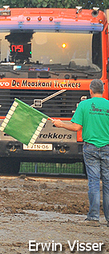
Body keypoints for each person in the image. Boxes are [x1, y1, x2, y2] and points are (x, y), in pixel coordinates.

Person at [53, 79, 109, 227]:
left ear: (90, 90)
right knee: (108, 183)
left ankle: (93, 217)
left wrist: (60, 124)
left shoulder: (84, 105)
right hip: (107, 147)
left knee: (94, 182)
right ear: (102, 91)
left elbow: (76, 127)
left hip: (90, 148)